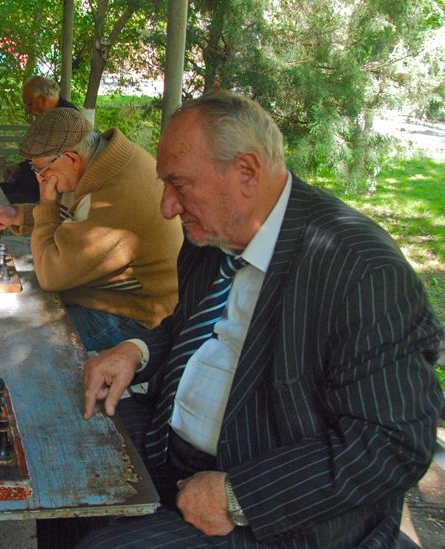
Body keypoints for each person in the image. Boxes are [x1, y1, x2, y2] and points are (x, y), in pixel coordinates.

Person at [77, 90, 444, 548]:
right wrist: (137, 350)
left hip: (279, 508)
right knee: (63, 452)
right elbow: (190, 327)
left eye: (180, 185)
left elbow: (392, 443)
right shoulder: (211, 233)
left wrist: (238, 496)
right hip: (169, 446)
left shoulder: (360, 271)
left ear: (246, 172)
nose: (167, 207)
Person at [0, 108, 182, 352]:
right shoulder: (104, 161)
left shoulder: (114, 198)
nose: (40, 179)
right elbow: (76, 219)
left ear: (72, 159)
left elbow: (50, 275)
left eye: (41, 170)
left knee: (20, 342)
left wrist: (47, 204)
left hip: (139, 312)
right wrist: (19, 215)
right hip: (109, 291)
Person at [1, 76, 80, 203]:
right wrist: (20, 167)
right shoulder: (51, 116)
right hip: (33, 186)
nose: (27, 109)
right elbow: (40, 159)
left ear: (43, 99)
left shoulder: (66, 119)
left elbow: (50, 166)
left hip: (47, 193)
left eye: (29, 103)